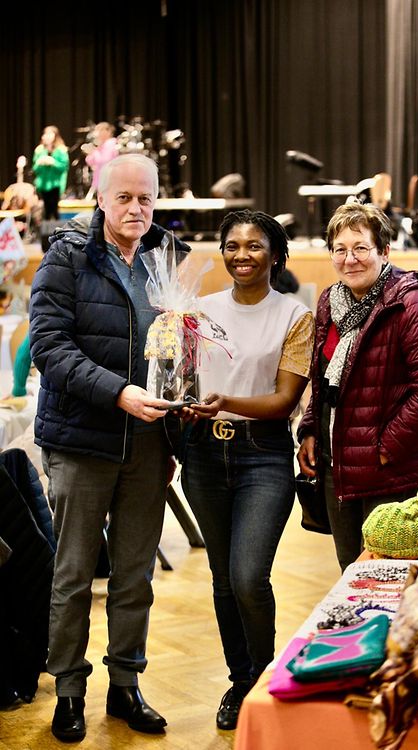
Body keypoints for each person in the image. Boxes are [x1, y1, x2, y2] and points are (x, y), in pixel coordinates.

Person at [29, 153, 191, 742]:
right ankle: (68, 691)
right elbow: (49, 347)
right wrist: (117, 392)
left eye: (146, 198)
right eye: (124, 197)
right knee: (73, 575)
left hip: (147, 443)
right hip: (81, 441)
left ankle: (125, 684)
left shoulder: (165, 259)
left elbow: (176, 347)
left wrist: (182, 392)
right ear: (100, 198)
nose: (136, 209)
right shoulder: (66, 256)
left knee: (135, 575)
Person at [179, 209, 314, 730]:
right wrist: (181, 404)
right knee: (222, 579)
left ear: (275, 255)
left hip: (263, 454)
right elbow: (181, 381)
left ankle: (263, 678)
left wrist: (225, 401)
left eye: (254, 246)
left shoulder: (294, 316)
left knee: (248, 576)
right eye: (232, 245)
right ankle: (241, 683)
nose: (242, 255)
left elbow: (283, 402)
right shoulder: (197, 311)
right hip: (203, 456)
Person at [297, 201, 418, 573]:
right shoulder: (330, 301)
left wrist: (386, 448)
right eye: (340, 250)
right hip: (337, 463)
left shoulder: (411, 301)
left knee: (384, 575)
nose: (350, 259)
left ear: (384, 250)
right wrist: (310, 428)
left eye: (361, 248)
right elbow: (324, 379)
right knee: (350, 573)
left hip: (387, 469)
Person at [32, 125, 69, 220]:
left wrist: (53, 162)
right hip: (43, 184)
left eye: (50, 134)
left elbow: (64, 167)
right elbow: (35, 169)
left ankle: (56, 227)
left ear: (55, 136)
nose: (47, 136)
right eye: (45, 134)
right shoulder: (39, 150)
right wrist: (39, 163)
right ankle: (46, 228)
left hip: (56, 184)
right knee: (46, 210)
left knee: (54, 209)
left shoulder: (60, 150)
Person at [83, 121, 120, 197]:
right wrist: (90, 153)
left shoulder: (111, 143)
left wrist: (94, 151)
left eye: (99, 130)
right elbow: (90, 162)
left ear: (108, 132)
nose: (96, 133)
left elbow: (105, 161)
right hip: (99, 181)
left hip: (109, 181)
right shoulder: (100, 146)